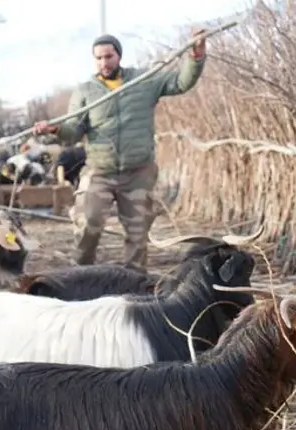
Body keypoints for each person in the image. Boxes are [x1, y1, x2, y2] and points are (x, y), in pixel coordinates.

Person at [33, 31, 207, 269]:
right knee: (88, 224)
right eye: (99, 58)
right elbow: (73, 130)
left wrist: (196, 56)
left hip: (138, 172)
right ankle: (82, 276)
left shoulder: (144, 81)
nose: (104, 62)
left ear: (119, 56)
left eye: (109, 56)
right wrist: (55, 129)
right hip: (99, 170)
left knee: (137, 234)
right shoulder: (86, 91)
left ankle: (134, 284)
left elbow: (181, 82)